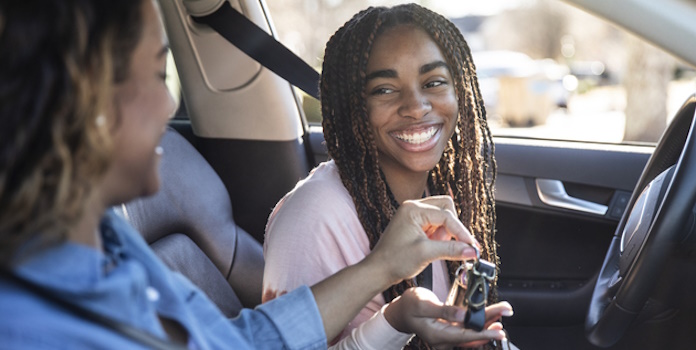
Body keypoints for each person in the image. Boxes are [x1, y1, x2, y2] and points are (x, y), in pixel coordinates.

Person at [0, 0, 507, 349]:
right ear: (82, 100)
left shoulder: (110, 242)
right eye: (159, 74)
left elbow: (240, 343)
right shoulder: (30, 326)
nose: (169, 103)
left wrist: (389, 297)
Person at [262, 4, 506, 349]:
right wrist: (393, 323)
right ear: (353, 106)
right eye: (384, 90)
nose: (417, 106)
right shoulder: (312, 217)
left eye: (433, 82)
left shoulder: (440, 191)